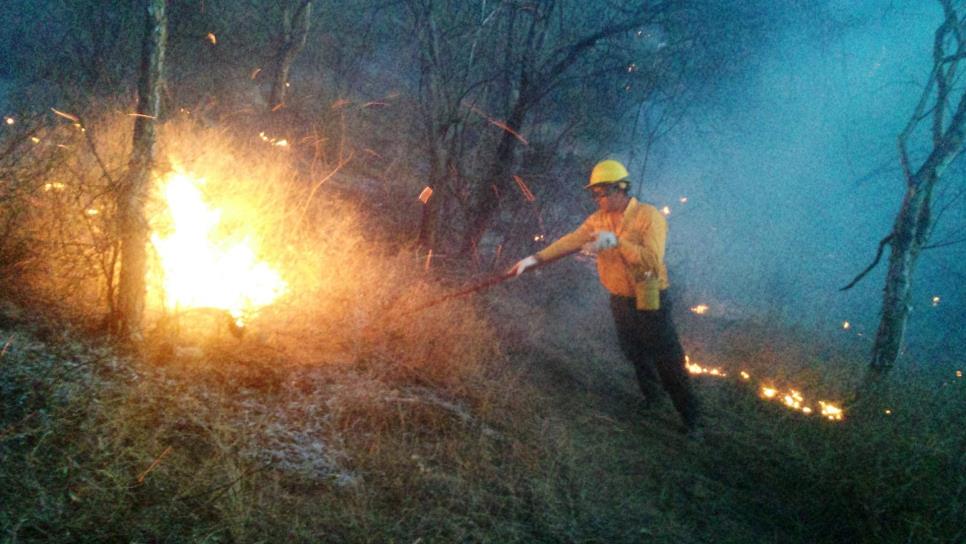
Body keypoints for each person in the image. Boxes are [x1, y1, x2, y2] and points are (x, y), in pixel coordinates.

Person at [508, 159, 700, 433]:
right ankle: (653, 398)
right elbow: (571, 241)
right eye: (594, 193)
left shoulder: (649, 217)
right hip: (620, 298)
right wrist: (533, 259)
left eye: (602, 192)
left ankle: (690, 417)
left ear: (621, 189)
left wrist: (618, 243)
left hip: (650, 295)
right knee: (634, 352)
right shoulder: (598, 220)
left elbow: (651, 261)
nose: (597, 198)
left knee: (666, 358)